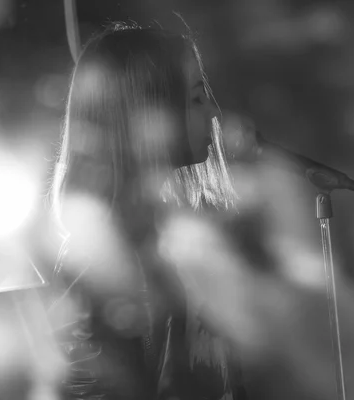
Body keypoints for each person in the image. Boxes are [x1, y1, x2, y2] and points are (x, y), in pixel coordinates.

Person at [46, 22, 246, 400]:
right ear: (152, 113)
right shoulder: (106, 263)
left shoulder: (170, 235)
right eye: (198, 98)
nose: (216, 113)